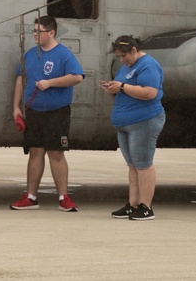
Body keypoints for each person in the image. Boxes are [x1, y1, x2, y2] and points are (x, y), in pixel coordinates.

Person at [10, 15, 85, 212]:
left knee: (56, 153)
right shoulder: (30, 55)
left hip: (57, 112)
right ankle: (31, 196)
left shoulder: (63, 54)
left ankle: (63, 197)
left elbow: (77, 77)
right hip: (34, 111)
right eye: (34, 31)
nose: (35, 35)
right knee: (35, 151)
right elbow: (20, 79)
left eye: (38, 31)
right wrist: (16, 106)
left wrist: (50, 83)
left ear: (51, 33)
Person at [99, 35, 165, 221]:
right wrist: (113, 89)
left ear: (134, 50)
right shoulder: (127, 67)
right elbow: (124, 88)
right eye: (119, 57)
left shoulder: (147, 65)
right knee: (133, 165)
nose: (122, 60)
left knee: (143, 164)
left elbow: (149, 92)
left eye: (124, 56)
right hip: (125, 123)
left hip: (144, 120)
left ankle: (146, 206)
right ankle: (133, 204)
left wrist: (121, 87)